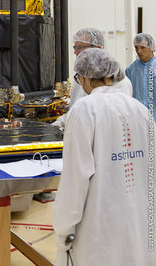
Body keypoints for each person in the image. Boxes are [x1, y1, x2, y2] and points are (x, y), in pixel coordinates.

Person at [53, 48, 155, 266]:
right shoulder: (140, 110)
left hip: (98, 229)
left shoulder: (85, 110)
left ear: (85, 77)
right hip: (140, 226)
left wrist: (63, 231)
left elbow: (75, 180)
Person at [54, 27, 132, 128]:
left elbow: (115, 119)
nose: (75, 52)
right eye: (75, 47)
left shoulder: (120, 82)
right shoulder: (82, 76)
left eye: (80, 47)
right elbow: (75, 111)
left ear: (97, 48)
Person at [126, 32, 156, 121]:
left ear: (151, 48)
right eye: (136, 47)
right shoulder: (131, 69)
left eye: (142, 47)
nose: (139, 51)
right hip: (137, 117)